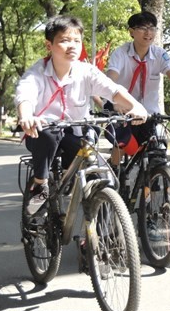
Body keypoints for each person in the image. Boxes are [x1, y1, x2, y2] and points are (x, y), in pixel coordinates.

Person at [15, 15, 149, 215]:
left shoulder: (87, 71)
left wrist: (136, 106)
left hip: (75, 134)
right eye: (64, 40)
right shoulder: (38, 72)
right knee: (48, 133)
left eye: (77, 41)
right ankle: (40, 184)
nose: (72, 46)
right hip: (42, 133)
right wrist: (27, 116)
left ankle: (99, 235)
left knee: (98, 178)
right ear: (49, 45)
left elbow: (113, 90)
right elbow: (24, 95)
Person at [100, 11, 170, 168]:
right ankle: (114, 176)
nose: (148, 33)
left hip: (149, 112)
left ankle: (156, 182)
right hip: (122, 109)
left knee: (158, 148)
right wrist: (114, 100)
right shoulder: (120, 53)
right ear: (131, 32)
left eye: (152, 28)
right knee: (122, 143)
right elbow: (111, 77)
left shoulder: (160, 54)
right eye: (142, 28)